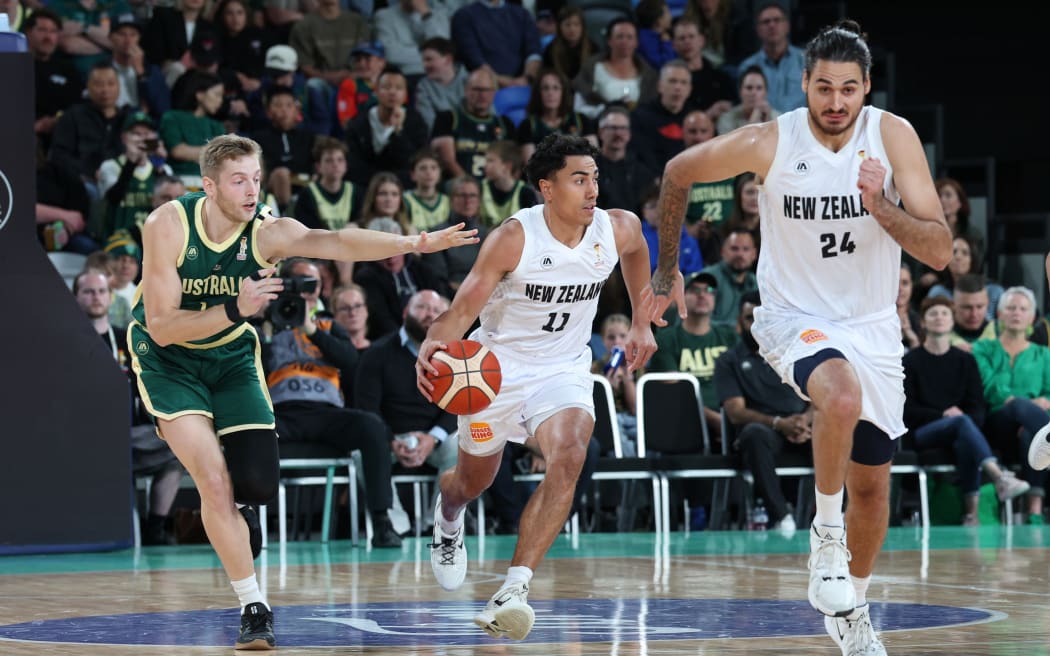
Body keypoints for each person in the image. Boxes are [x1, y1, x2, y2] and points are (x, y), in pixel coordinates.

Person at [646, 20, 953, 654]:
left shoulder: (892, 137)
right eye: (822, 88)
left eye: (848, 88)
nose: (835, 102)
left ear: (867, 86)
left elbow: (941, 251)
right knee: (836, 396)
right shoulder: (771, 140)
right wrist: (666, 267)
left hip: (871, 326)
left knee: (873, 486)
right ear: (803, 85)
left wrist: (881, 207)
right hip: (793, 316)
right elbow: (677, 172)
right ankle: (825, 538)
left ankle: (853, 613)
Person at [130, 133, 476, 648]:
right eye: (238, 181)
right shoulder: (168, 225)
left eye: (256, 177)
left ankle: (244, 511)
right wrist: (235, 308)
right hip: (167, 361)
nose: (252, 190)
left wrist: (414, 242)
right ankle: (253, 605)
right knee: (211, 478)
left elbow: (336, 240)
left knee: (258, 487)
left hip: (229, 358)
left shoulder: (267, 232)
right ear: (208, 186)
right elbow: (161, 326)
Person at [415, 134, 656, 640]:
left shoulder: (616, 226)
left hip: (563, 368)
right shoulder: (513, 238)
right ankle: (449, 515)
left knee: (570, 453)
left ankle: (514, 588)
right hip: (493, 372)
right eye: (578, 178)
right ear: (547, 188)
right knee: (472, 481)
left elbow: (636, 252)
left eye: (594, 176)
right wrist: (433, 344)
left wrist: (641, 321)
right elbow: (461, 311)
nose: (592, 188)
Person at [259, 258, 403, 548]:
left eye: (312, 285)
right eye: (298, 283)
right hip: (281, 414)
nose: (305, 292)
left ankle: (381, 521)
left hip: (326, 414)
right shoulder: (265, 322)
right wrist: (263, 324)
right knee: (242, 432)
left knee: (371, 426)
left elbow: (351, 362)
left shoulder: (328, 324)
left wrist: (313, 331)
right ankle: (245, 520)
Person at [75, 268, 183, 546]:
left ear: (110, 297)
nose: (96, 297)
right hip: (90, 438)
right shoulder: (70, 343)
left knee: (179, 451)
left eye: (101, 291)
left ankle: (155, 528)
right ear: (75, 298)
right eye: (88, 292)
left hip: (134, 436)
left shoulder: (128, 338)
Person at [903, 295, 1029, 526]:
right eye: (933, 314)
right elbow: (907, 410)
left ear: (952, 322)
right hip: (923, 433)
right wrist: (942, 415)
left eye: (944, 314)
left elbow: (977, 407)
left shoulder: (966, 360)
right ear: (923, 322)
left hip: (961, 430)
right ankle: (999, 476)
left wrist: (960, 419)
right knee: (961, 423)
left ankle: (971, 516)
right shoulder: (911, 361)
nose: (939, 318)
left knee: (964, 435)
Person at [714, 290, 808, 534]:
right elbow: (735, 412)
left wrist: (806, 421)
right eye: (749, 318)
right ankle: (781, 516)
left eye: (762, 318)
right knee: (753, 434)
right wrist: (778, 423)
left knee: (836, 427)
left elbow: (821, 397)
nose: (756, 325)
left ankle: (835, 512)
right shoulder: (729, 360)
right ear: (739, 323)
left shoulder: (796, 352)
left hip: (804, 427)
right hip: (766, 433)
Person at [972, 286, 1050, 525]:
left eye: (1023, 309)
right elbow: (989, 386)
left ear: (1032, 317)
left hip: (1031, 427)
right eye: (1011, 308)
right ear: (1000, 315)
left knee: (1031, 434)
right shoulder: (982, 349)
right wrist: (1024, 403)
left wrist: (1045, 401)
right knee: (1017, 406)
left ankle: (1034, 511)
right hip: (997, 424)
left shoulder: (1044, 354)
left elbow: (1048, 391)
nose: (1017, 313)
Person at [344, 66, 430, 187]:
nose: (392, 92)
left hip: (402, 186)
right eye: (386, 87)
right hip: (366, 185)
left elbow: (413, 161)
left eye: (398, 88)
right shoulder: (359, 122)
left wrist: (398, 130)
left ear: (405, 94)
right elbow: (354, 163)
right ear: (376, 91)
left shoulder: (416, 122)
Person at [430, 67, 515, 180]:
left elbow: (513, 162)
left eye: (487, 90)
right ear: (466, 90)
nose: (482, 95)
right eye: (477, 89)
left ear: (494, 92)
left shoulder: (505, 124)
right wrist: (470, 186)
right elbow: (448, 160)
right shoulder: (448, 119)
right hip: (457, 187)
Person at [572, 17, 658, 117]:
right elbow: (579, 107)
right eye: (619, 36)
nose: (624, 41)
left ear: (636, 42)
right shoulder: (591, 69)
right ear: (609, 40)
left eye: (629, 37)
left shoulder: (649, 75)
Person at [736, 1, 805, 113]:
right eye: (766, 22)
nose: (772, 25)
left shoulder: (806, 61)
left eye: (777, 20)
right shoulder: (747, 67)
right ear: (758, 30)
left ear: (787, 26)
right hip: (763, 126)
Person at [516, 68, 596, 162]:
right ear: (538, 93)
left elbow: (592, 158)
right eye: (545, 88)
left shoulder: (582, 120)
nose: (550, 93)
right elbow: (530, 164)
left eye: (556, 88)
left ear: (564, 92)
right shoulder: (528, 125)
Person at [926, 235, 1004, 321]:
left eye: (965, 253)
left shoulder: (994, 290)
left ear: (973, 259)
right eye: (954, 252)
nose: (958, 257)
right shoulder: (938, 292)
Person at [294, 137, 359, 234]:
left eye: (340, 160)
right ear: (318, 167)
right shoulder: (307, 194)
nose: (335, 164)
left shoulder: (355, 191)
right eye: (329, 160)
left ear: (346, 165)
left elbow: (361, 221)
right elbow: (306, 232)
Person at [699, 227, 757, 325]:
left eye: (746, 249)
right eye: (734, 249)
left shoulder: (757, 283)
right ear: (722, 252)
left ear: (754, 254)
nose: (740, 254)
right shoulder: (706, 278)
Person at [478, 140, 541, 227]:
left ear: (507, 166)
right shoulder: (479, 188)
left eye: (490, 161)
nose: (485, 165)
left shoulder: (525, 193)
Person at [413, 37, 468, 132]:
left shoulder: (472, 81)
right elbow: (430, 123)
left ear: (448, 60)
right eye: (423, 60)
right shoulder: (423, 87)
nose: (424, 65)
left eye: (429, 59)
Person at [716, 64, 779, 135]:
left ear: (766, 93)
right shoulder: (726, 119)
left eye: (759, 88)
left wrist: (767, 122)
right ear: (740, 92)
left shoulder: (778, 119)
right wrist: (753, 121)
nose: (753, 93)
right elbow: (733, 146)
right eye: (749, 88)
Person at [541, 6, 597, 82]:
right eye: (567, 25)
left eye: (576, 24)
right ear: (560, 27)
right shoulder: (550, 50)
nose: (572, 29)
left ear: (582, 27)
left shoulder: (594, 48)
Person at [404, 148, 452, 232]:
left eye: (433, 168)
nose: (429, 172)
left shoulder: (448, 201)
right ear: (413, 175)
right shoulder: (405, 200)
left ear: (440, 174)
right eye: (423, 168)